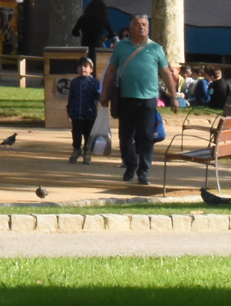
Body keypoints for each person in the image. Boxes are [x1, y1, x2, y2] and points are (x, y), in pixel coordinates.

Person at [99, 13, 177, 185]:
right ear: (130, 28)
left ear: (148, 28)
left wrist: (174, 96)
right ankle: (130, 164)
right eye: (137, 24)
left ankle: (144, 170)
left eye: (144, 24)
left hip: (148, 99)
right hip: (126, 97)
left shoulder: (156, 48)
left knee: (146, 135)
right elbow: (111, 71)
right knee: (126, 136)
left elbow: (165, 73)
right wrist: (104, 93)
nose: (141, 27)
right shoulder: (121, 48)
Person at [67, 56, 102, 164]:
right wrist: (69, 111)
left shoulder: (95, 82)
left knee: (89, 135)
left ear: (91, 69)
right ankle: (76, 149)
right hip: (76, 114)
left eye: (85, 66)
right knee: (76, 134)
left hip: (90, 114)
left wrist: (102, 96)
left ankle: (87, 152)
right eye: (80, 66)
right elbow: (71, 97)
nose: (82, 68)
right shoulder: (74, 82)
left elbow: (99, 96)